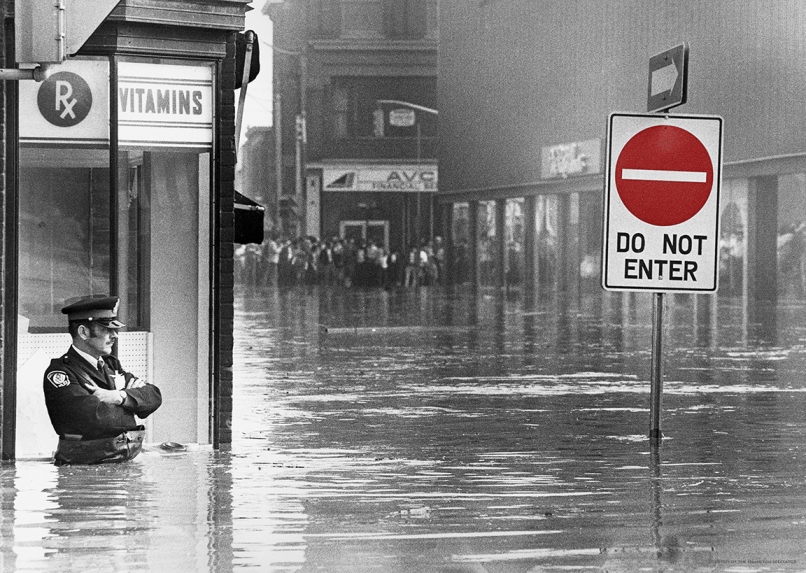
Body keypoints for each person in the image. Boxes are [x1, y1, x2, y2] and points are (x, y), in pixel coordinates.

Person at [43, 296, 162, 465]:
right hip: (83, 472)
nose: (115, 336)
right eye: (107, 329)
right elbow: (97, 419)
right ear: (83, 332)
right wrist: (133, 404)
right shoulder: (61, 372)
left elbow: (154, 396)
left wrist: (119, 397)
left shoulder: (111, 365)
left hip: (120, 462)